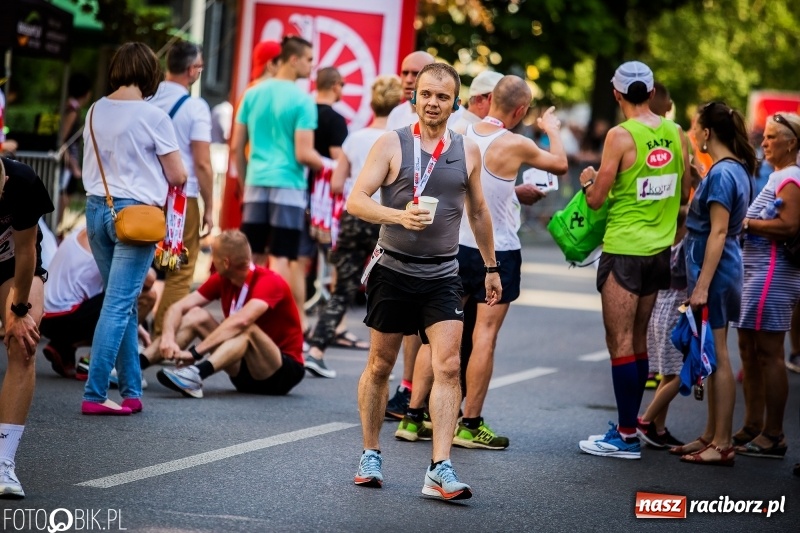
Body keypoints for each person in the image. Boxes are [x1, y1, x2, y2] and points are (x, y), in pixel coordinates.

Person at [347, 63, 500, 500]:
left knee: (448, 366)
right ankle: (370, 452)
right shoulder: (391, 143)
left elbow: (478, 212)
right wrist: (398, 215)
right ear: (415, 97)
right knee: (380, 365)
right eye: (427, 94)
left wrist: (491, 267)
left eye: (443, 97)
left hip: (443, 274)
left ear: (456, 103)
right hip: (392, 270)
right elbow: (356, 200)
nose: (433, 102)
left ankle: (440, 467)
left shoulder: (467, 150)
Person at [395, 76, 568, 449]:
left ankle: (412, 418)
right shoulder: (516, 143)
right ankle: (469, 423)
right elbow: (561, 164)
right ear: (521, 110)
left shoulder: (461, 133)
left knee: (434, 334)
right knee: (483, 336)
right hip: (497, 250)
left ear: (489, 101)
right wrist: (551, 128)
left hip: (453, 245)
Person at [577, 61, 691, 460]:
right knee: (637, 341)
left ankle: (625, 435)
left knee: (620, 344)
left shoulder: (620, 136)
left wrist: (589, 179)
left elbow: (595, 200)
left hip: (624, 250)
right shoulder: (676, 133)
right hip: (660, 252)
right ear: (653, 90)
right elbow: (685, 193)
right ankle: (630, 428)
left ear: (617, 93)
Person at [80, 42, 186, 416]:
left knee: (119, 303)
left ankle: (130, 390)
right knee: (118, 305)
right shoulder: (153, 116)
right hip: (137, 217)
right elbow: (178, 174)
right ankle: (94, 394)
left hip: (96, 210)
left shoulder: (94, 110)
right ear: (149, 73)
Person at [666, 101, 755, 466]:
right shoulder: (728, 169)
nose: (691, 132)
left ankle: (721, 443)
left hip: (715, 272)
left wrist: (701, 285)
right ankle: (710, 434)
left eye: (694, 126)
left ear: (707, 132)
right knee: (712, 351)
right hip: (720, 268)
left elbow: (718, 231)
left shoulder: (722, 173)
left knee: (717, 353)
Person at [304, 75, 403, 379]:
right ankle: (379, 365)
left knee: (343, 288)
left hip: (353, 217)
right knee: (387, 287)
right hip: (385, 218)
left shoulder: (355, 138)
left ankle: (317, 350)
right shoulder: (400, 139)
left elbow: (336, 183)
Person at [232, 36, 328, 323]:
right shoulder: (303, 100)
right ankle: (273, 318)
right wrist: (330, 165)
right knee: (283, 256)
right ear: (294, 59)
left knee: (254, 255)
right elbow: (303, 153)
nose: (312, 66)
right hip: (289, 185)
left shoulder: (252, 93)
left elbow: (238, 146)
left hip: (256, 181)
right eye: (310, 59)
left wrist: (244, 181)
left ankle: (245, 313)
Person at [141, 230, 304, 398]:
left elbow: (242, 321)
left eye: (213, 256)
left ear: (225, 262)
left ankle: (196, 374)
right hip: (243, 371)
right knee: (196, 315)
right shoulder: (222, 279)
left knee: (247, 328)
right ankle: (136, 367)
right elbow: (178, 308)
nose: (211, 261)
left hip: (280, 373)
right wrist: (168, 337)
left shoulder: (269, 281)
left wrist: (195, 353)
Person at [731, 112, 800, 462]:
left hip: (772, 276)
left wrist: (746, 223)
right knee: (749, 349)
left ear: (792, 142)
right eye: (766, 136)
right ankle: (753, 424)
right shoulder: (777, 176)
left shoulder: (790, 177)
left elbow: (789, 226)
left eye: (773, 137)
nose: (764, 142)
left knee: (770, 354)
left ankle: (774, 434)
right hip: (755, 274)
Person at [149, 41, 214, 337]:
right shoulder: (195, 107)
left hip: (144, 196)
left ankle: (128, 334)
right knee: (179, 270)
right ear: (192, 70)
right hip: (180, 200)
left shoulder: (147, 98)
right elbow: (202, 163)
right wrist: (210, 205)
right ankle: (163, 334)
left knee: (139, 268)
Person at [0, 157, 55, 499]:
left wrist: (18, 311)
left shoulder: (22, 181)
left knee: (24, 341)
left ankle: (3, 462)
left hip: (11, 266)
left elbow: (25, 253)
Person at [39, 226, 156, 380]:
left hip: (46, 318)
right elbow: (149, 278)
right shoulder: (111, 237)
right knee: (147, 296)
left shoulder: (87, 228)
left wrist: (138, 326)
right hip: (66, 317)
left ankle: (63, 346)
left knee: (121, 291)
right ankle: (93, 360)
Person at [295, 66, 349, 334]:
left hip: (299, 190)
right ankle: (335, 324)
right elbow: (339, 160)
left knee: (299, 256)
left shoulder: (304, 112)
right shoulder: (336, 119)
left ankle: (297, 311)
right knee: (336, 255)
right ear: (336, 85)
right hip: (326, 200)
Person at [636, 206, 688, 448]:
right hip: (676, 313)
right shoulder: (686, 246)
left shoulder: (662, 240)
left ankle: (658, 428)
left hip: (661, 310)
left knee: (668, 373)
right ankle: (645, 422)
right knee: (684, 371)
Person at [57, 73, 92, 230]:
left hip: (68, 162)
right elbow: (62, 139)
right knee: (63, 197)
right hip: (66, 163)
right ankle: (57, 228)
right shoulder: (72, 110)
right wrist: (73, 165)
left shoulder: (69, 107)